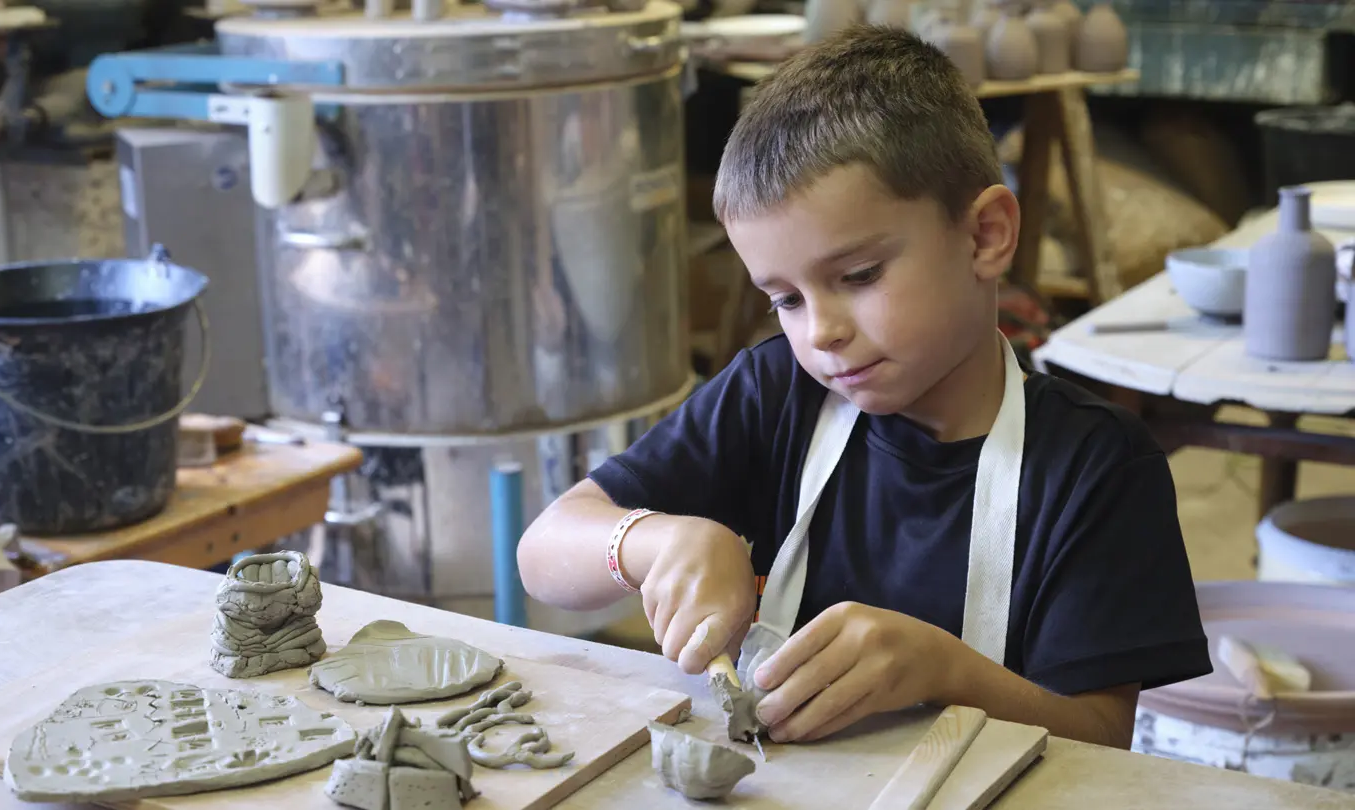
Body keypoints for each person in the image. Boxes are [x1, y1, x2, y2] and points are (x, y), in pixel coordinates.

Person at [516, 24, 1211, 749]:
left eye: (858, 277)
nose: (821, 331)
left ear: (985, 236)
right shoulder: (778, 394)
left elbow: (1100, 739)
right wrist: (651, 542)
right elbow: (543, 553)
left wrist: (944, 671)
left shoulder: (1096, 467)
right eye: (785, 299)